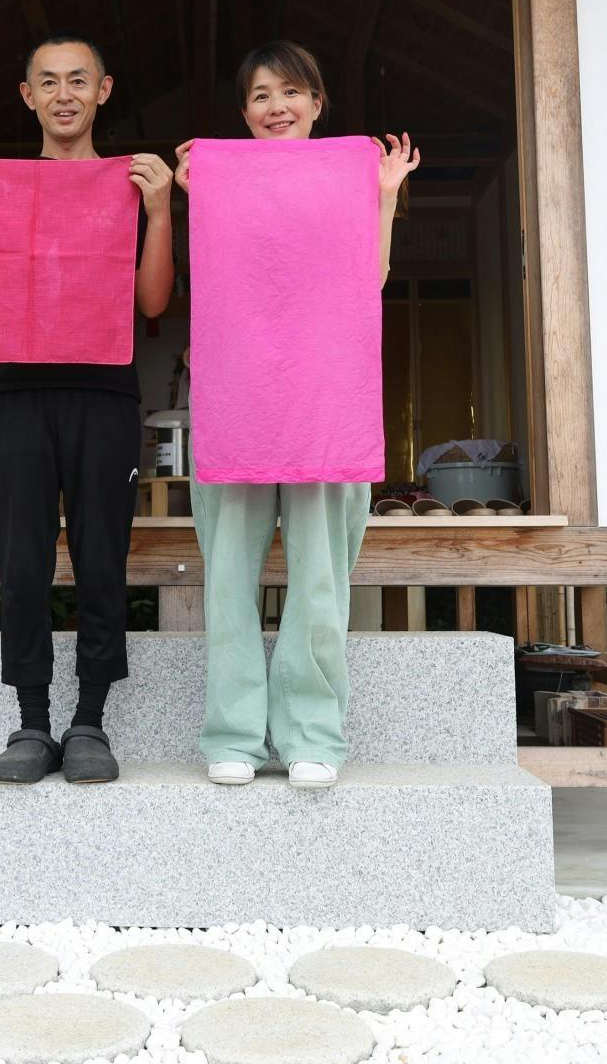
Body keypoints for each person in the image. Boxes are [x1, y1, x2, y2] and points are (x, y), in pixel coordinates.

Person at [0, 32, 175, 785]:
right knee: (20, 561)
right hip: (18, 393)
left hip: (105, 393)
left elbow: (153, 301)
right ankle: (30, 721)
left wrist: (158, 211)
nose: (63, 94)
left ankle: (90, 721)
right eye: (48, 81)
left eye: (78, 80)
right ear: (27, 96)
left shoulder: (128, 186)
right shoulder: (2, 194)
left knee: (100, 559)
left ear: (103, 91)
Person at [173, 39, 418, 789]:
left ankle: (313, 734)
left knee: (318, 578)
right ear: (244, 112)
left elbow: (370, 276)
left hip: (323, 399)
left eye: (289, 92)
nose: (275, 107)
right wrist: (197, 194)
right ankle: (234, 736)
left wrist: (383, 193)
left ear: (316, 102)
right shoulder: (221, 182)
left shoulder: (347, 181)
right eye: (260, 95)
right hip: (238, 395)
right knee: (228, 576)